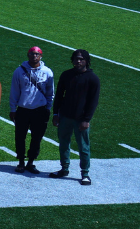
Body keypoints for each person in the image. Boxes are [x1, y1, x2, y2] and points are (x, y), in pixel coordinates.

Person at [51, 49, 98, 185]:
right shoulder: (66, 75)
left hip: (81, 119)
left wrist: (86, 119)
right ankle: (64, 168)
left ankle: (85, 173)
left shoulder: (92, 78)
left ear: (86, 61)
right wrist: (56, 114)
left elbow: (93, 101)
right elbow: (59, 95)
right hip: (65, 116)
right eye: (76, 58)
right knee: (63, 143)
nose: (78, 61)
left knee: (83, 146)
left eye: (81, 59)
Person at [11, 46, 54, 174]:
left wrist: (48, 108)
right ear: (28, 55)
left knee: (37, 137)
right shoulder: (19, 71)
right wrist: (13, 109)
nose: (34, 56)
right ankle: (20, 161)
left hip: (39, 110)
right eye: (31, 54)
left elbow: (50, 93)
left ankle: (31, 161)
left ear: (41, 56)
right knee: (20, 136)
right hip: (23, 109)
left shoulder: (47, 72)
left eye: (36, 54)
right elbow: (14, 91)